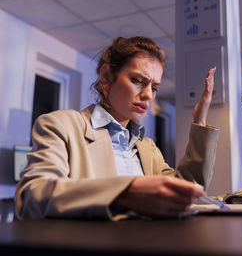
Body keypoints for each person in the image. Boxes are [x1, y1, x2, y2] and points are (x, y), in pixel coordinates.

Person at [14, 36, 219, 220]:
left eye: (154, 87)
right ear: (106, 77)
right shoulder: (61, 125)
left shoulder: (147, 148)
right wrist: (125, 193)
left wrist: (199, 121)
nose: (148, 94)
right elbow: (33, 195)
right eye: (138, 81)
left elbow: (189, 189)